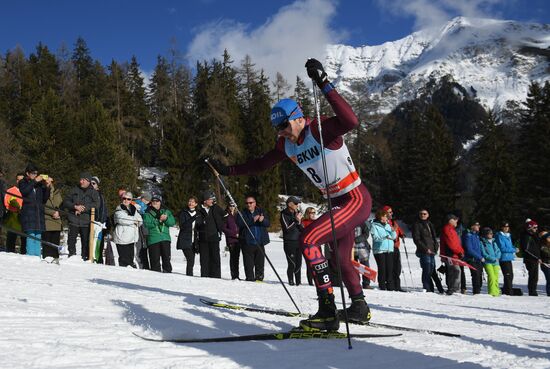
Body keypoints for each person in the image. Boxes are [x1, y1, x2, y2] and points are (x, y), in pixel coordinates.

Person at [213, 58, 371, 331]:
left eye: (285, 125)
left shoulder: (319, 130)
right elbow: (261, 165)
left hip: (354, 198)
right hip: (336, 202)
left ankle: (327, 311)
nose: (282, 132)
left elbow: (351, 120)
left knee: (308, 239)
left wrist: (323, 83)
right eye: (278, 128)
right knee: (341, 260)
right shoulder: (286, 145)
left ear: (298, 118)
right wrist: (228, 171)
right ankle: (359, 307)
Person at [62, 172, 100, 260]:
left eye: (83, 180)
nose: (81, 181)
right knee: (71, 241)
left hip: (86, 221)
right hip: (73, 220)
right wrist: (75, 207)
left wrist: (84, 208)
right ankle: (72, 256)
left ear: (88, 181)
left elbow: (97, 204)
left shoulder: (93, 192)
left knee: (85, 241)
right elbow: (66, 201)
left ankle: (85, 258)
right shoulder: (74, 190)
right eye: (81, 179)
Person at [18, 165, 50, 257]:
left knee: (38, 235)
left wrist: (47, 187)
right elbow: (24, 192)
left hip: (38, 212)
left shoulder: (40, 184)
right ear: (27, 173)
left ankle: (37, 256)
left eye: (36, 173)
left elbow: (44, 199)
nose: (35, 175)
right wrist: (34, 181)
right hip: (28, 212)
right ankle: (31, 256)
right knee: (31, 235)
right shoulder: (22, 182)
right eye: (33, 173)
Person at [237, 195, 270, 282]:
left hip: (259, 242)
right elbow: (240, 224)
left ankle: (259, 278)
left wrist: (263, 220)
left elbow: (267, 223)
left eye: (251, 203)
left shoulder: (261, 211)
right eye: (247, 203)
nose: (249, 205)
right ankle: (250, 279)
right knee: (248, 264)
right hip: (247, 243)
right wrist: (252, 220)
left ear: (255, 203)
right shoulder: (242, 213)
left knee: (260, 263)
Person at [412, 209, 444, 293]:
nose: (423, 215)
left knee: (432, 271)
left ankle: (439, 289)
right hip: (424, 251)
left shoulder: (430, 224)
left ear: (428, 215)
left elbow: (434, 237)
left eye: (424, 214)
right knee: (427, 270)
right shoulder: (417, 225)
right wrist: (425, 249)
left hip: (432, 251)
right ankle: (427, 289)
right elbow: (417, 239)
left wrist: (436, 246)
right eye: (421, 214)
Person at [143, 193, 175, 273]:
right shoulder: (147, 212)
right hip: (153, 239)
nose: (155, 202)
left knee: (167, 260)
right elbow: (147, 224)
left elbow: (172, 223)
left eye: (157, 201)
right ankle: (155, 278)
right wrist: (158, 221)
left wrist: (166, 219)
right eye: (153, 201)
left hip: (165, 238)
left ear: (160, 202)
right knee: (154, 262)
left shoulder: (166, 211)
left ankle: (168, 276)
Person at [196, 191, 224, 278]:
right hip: (203, 237)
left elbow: (224, 217)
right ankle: (205, 276)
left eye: (213, 199)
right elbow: (196, 223)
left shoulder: (215, 208)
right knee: (204, 259)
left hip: (214, 236)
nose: (213, 201)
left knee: (215, 258)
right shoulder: (199, 210)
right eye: (211, 199)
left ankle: (216, 277)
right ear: (205, 201)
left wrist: (220, 228)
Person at [112, 191, 142, 267]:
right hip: (122, 237)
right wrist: (134, 220)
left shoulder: (134, 209)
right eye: (124, 198)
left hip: (132, 238)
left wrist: (135, 220)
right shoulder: (119, 209)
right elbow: (122, 219)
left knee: (130, 259)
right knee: (124, 260)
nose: (126, 200)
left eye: (128, 199)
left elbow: (140, 220)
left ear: (131, 200)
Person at [280, 196, 304, 285]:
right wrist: (295, 220)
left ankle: (298, 282)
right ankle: (291, 281)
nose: (297, 205)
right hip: (289, 242)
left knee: (299, 264)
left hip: (298, 241)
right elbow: (286, 228)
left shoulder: (297, 213)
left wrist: (300, 222)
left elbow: (300, 227)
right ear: (290, 204)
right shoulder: (283, 214)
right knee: (292, 263)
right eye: (296, 203)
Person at [371, 208, 396, 291]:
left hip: (389, 249)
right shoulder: (374, 225)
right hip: (379, 250)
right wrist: (384, 237)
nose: (385, 218)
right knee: (382, 268)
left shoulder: (388, 225)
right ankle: (382, 285)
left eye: (386, 216)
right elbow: (375, 238)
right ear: (379, 217)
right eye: (383, 216)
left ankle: (390, 286)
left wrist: (392, 231)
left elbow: (393, 237)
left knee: (390, 268)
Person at [440, 214, 464, 295]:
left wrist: (461, 251)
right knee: (456, 271)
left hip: (454, 254)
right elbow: (452, 244)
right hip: (451, 254)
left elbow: (457, 243)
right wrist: (459, 252)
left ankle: (453, 289)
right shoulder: (448, 229)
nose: (457, 221)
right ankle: (454, 289)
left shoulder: (452, 229)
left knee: (454, 271)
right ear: (450, 220)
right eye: (455, 219)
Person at [383, 205, 406, 292]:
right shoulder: (384, 222)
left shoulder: (393, 222)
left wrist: (402, 234)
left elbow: (399, 230)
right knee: (390, 267)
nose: (391, 213)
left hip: (396, 246)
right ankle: (390, 285)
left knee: (397, 267)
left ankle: (397, 285)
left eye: (391, 212)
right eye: (389, 212)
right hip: (388, 247)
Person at [176, 196, 200, 276]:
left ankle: (190, 274)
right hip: (185, 239)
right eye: (189, 201)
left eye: (193, 202)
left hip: (194, 240)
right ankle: (189, 275)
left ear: (196, 204)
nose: (190, 203)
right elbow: (183, 226)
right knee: (190, 259)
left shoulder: (198, 213)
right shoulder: (183, 212)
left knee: (192, 260)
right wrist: (193, 218)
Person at [4, 173, 26, 253]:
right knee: (12, 236)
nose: (20, 181)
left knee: (24, 237)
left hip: (24, 215)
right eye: (18, 179)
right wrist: (16, 208)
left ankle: (24, 252)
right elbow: (7, 202)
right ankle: (10, 252)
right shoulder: (11, 190)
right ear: (16, 180)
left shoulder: (27, 190)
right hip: (13, 215)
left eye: (22, 180)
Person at [42, 176, 63, 262]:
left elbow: (62, 205)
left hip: (57, 221)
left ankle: (55, 258)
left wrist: (59, 213)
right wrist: (52, 213)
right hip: (47, 220)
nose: (49, 182)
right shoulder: (43, 191)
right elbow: (42, 205)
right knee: (47, 241)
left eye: (50, 181)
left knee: (55, 242)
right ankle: (46, 258)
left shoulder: (57, 192)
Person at [462, 221, 484, 294]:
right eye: (477, 225)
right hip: (471, 259)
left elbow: (479, 248)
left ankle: (478, 291)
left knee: (480, 275)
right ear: (472, 226)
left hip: (478, 259)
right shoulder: (468, 235)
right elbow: (469, 249)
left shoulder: (476, 235)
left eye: (479, 225)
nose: (478, 226)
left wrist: (482, 256)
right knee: (476, 275)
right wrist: (479, 257)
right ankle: (476, 292)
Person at [90, 176, 109, 264]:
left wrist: (104, 220)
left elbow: (104, 209)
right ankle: (92, 258)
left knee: (98, 242)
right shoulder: (88, 193)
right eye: (90, 183)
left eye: (93, 183)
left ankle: (98, 259)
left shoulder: (100, 195)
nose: (91, 185)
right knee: (91, 242)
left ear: (97, 185)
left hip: (100, 223)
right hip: (91, 222)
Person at [495, 222, 516, 295]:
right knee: (507, 275)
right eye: (505, 226)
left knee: (511, 275)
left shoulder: (508, 235)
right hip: (503, 257)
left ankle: (506, 289)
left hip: (509, 257)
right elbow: (502, 248)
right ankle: (509, 291)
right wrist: (513, 250)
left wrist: (514, 248)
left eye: (507, 226)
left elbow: (510, 246)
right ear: (501, 227)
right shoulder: (499, 235)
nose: (506, 228)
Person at [520, 220, 540, 296]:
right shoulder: (526, 236)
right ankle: (532, 292)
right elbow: (526, 249)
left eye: (536, 227)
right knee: (533, 276)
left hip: (534, 259)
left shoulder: (533, 235)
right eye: (534, 227)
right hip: (530, 259)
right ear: (530, 228)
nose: (536, 229)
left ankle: (533, 291)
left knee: (535, 276)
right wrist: (537, 257)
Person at [480, 227, 501, 297]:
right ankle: (492, 292)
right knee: (491, 276)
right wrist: (492, 258)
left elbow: (498, 251)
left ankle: (496, 291)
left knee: (496, 277)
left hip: (496, 262)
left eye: (491, 233)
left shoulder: (494, 241)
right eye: (489, 234)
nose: (491, 235)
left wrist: (497, 257)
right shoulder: (482, 242)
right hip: (488, 262)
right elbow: (484, 253)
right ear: (485, 234)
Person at [221, 202, 240, 280]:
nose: (232, 207)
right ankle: (234, 275)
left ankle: (237, 275)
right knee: (233, 257)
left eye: (233, 206)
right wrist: (234, 233)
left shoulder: (238, 215)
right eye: (230, 206)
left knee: (237, 257)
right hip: (231, 239)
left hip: (239, 239)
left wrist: (239, 233)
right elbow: (224, 228)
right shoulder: (226, 215)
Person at [134, 191, 152, 269]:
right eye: (145, 199)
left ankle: (145, 265)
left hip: (144, 229)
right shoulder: (137, 204)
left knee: (144, 247)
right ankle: (142, 266)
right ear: (142, 198)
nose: (146, 201)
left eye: (147, 200)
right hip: (139, 228)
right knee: (139, 247)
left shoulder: (146, 207)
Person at [354, 219, 372, 289]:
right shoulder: (349, 221)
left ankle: (366, 283)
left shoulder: (363, 221)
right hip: (351, 248)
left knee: (364, 266)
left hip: (362, 248)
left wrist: (355, 240)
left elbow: (366, 235)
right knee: (354, 266)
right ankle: (356, 283)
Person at [301, 206, 317, 286]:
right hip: (307, 246)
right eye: (311, 213)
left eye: (314, 212)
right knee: (309, 264)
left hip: (316, 245)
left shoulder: (316, 221)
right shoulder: (304, 222)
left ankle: (317, 280)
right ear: (308, 213)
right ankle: (310, 282)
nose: (313, 214)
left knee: (317, 264)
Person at [538, 230, 550, 296]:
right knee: (549, 279)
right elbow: (546, 254)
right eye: (548, 237)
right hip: (545, 264)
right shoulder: (542, 246)